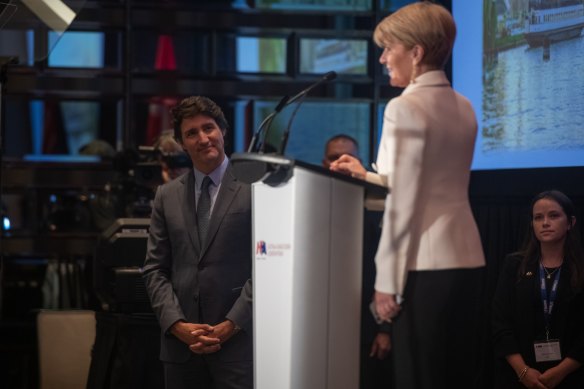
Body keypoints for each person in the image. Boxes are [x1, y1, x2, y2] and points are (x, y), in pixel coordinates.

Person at [330, 2, 486, 387]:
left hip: (424, 266)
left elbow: (405, 204)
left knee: (418, 377)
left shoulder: (404, 108)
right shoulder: (465, 106)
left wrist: (386, 282)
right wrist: (367, 175)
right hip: (467, 260)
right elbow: (426, 184)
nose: (383, 58)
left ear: (416, 52)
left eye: (389, 48)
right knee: (455, 375)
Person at [142, 96, 253, 389]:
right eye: (192, 133)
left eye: (209, 128)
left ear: (223, 131)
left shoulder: (254, 188)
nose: (203, 138)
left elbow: (266, 267)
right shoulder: (166, 196)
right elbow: (154, 269)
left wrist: (230, 325)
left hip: (238, 346)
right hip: (181, 350)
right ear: (182, 142)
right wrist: (178, 326)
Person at [492, 190, 584, 388]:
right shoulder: (514, 265)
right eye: (538, 217)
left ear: (571, 222)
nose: (545, 223)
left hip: (572, 375)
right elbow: (500, 322)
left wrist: (562, 371)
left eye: (554, 215)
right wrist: (522, 371)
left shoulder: (581, 267)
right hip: (520, 376)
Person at [322, 134, 392, 388]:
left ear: (360, 163)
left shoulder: (379, 207)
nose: (341, 162)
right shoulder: (312, 204)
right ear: (323, 162)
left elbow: (390, 269)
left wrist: (386, 330)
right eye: (333, 158)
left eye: (348, 157)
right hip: (321, 327)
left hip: (368, 328)